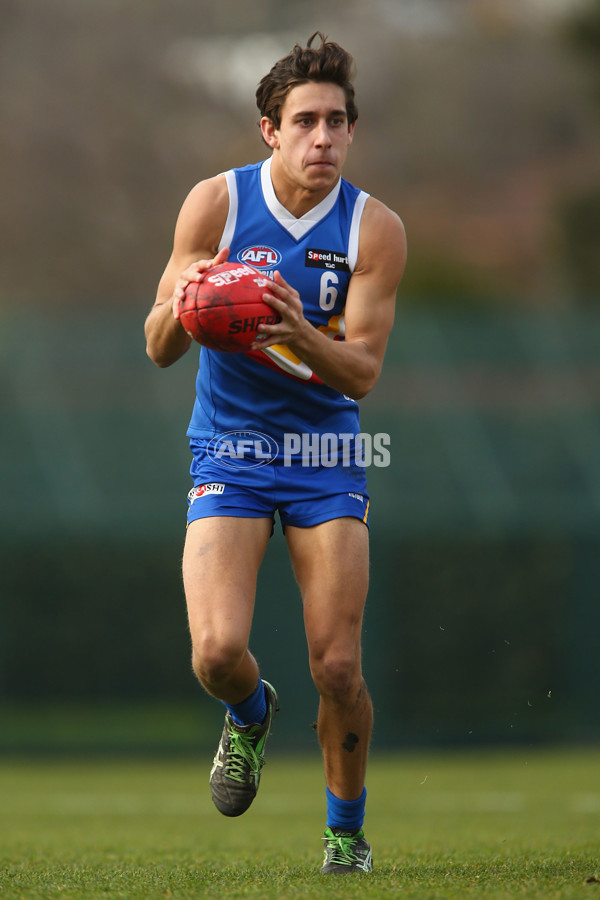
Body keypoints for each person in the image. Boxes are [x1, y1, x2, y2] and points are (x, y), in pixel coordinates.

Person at [144, 32, 406, 875]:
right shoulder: (215, 204)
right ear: (270, 130)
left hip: (325, 453)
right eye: (305, 121)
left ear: (352, 130)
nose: (322, 137)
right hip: (231, 448)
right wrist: (187, 306)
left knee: (336, 661)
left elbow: (361, 373)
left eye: (337, 121)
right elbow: (156, 347)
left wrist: (295, 328)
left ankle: (345, 836)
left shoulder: (376, 227)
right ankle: (252, 714)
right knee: (216, 652)